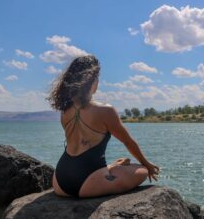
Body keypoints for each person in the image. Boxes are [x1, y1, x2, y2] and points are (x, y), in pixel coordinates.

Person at [46, 54, 160, 198]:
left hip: (60, 180)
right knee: (141, 170)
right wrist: (147, 165)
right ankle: (110, 169)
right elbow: (128, 141)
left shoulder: (65, 110)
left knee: (110, 167)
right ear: (92, 80)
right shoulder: (105, 110)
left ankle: (111, 167)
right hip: (86, 183)